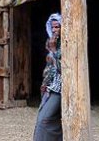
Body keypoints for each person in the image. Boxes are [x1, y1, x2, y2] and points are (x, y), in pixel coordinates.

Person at [33, 13, 63, 141]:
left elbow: (64, 68)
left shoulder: (68, 44)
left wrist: (55, 50)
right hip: (51, 86)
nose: (54, 30)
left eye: (57, 27)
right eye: (53, 27)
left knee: (43, 121)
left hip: (61, 88)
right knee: (50, 120)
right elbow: (49, 68)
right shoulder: (51, 43)